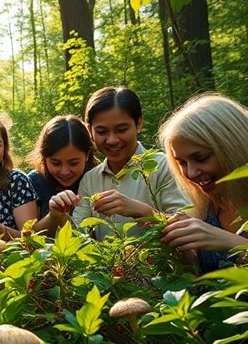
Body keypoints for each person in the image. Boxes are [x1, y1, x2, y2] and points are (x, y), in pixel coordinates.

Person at [158, 94, 248, 271]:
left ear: (235, 148)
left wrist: (230, 242)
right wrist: (184, 248)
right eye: (181, 163)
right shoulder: (207, 208)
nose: (191, 173)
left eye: (201, 158)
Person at [46, 87, 188, 239]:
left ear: (138, 123)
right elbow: (80, 238)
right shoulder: (90, 179)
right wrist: (58, 215)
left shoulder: (166, 166)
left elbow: (187, 227)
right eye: (101, 132)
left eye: (121, 129)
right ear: (90, 131)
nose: (112, 140)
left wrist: (141, 211)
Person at [26, 116, 96, 219]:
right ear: (44, 157)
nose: (65, 171)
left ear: (87, 155)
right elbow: (28, 231)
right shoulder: (32, 184)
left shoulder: (98, 180)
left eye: (73, 163)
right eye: (56, 163)